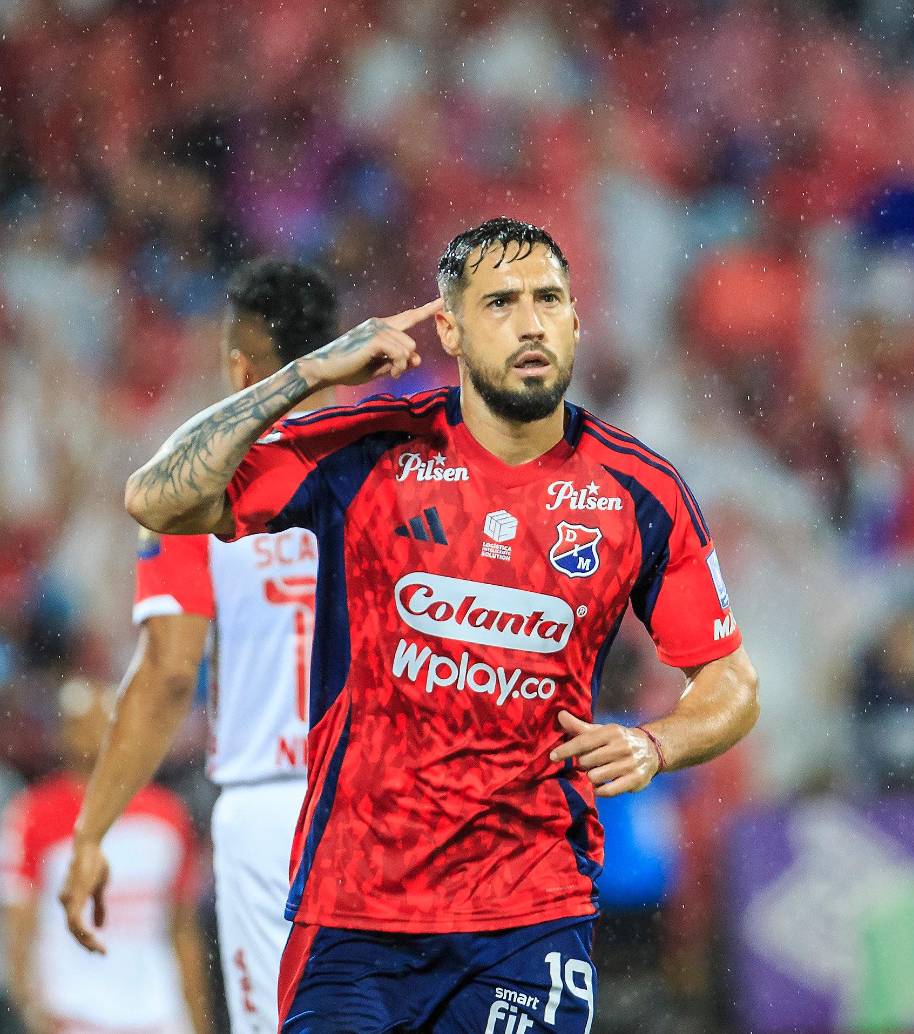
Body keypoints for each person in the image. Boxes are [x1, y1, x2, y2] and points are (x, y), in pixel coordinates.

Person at [123, 216, 760, 1034]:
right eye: (500, 303)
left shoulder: (640, 491)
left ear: (575, 320)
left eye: (548, 300)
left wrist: (655, 743)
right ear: (450, 331)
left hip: (529, 916)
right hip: (352, 916)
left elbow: (730, 680)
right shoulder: (372, 452)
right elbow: (157, 499)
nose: (530, 323)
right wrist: (306, 373)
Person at [58, 258, 340, 1034]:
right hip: (390, 801)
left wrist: (91, 832)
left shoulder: (199, 487)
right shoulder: (395, 464)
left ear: (239, 365)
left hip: (272, 806)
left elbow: (169, 671)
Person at [1, 678, 210, 1034]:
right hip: (73, 1014)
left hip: (158, 1012)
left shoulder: (167, 814)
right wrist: (32, 1008)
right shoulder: (32, 815)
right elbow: (20, 924)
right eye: (83, 721)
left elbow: (182, 928)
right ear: (63, 733)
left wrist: (197, 1016)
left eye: (108, 717)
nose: (97, 731)